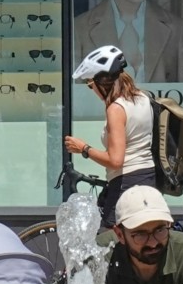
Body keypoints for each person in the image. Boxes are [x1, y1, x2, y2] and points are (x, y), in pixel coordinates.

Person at [63, 45, 157, 228]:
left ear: (102, 82)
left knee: (114, 244)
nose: (92, 90)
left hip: (126, 182)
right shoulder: (143, 98)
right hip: (147, 178)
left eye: (90, 85)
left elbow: (115, 160)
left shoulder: (116, 109)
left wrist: (83, 148)